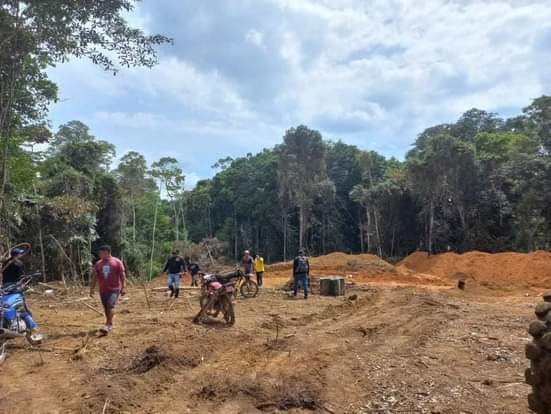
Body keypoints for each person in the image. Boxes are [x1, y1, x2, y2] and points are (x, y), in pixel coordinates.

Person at [1, 246, 42, 341]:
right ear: (18, 255)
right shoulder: (18, 264)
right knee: (23, 311)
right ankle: (34, 330)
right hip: (14, 288)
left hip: (4, 289)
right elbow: (21, 277)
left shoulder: (5, 263)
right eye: (22, 254)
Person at [90, 245, 126, 335]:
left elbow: (122, 275)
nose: (99, 254)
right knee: (106, 308)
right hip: (102, 289)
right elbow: (95, 277)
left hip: (114, 289)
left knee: (110, 305)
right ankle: (109, 323)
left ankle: (107, 324)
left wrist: (124, 287)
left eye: (101, 253)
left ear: (107, 252)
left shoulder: (117, 262)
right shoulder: (98, 264)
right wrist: (92, 288)